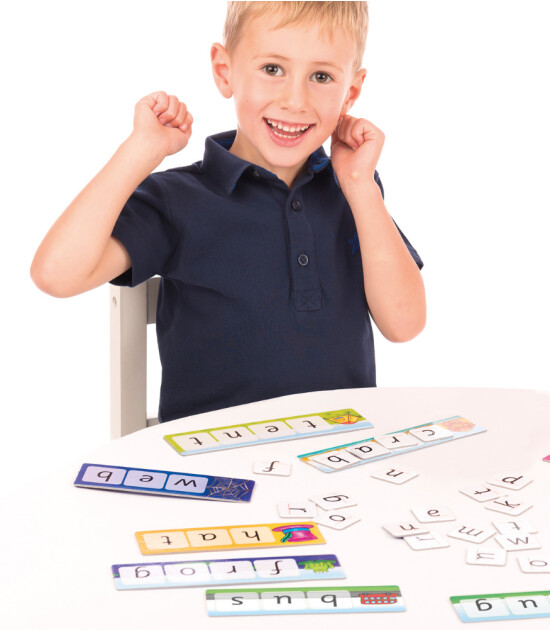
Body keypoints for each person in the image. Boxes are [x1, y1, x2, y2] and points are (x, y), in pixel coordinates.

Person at [31, 1, 426, 423]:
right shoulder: (177, 198)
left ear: (351, 92)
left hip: (341, 448)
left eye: (321, 76)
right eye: (273, 69)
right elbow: (56, 274)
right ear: (225, 71)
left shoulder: (355, 189)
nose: (295, 101)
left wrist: (361, 186)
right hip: (216, 457)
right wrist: (140, 150)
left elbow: (404, 325)